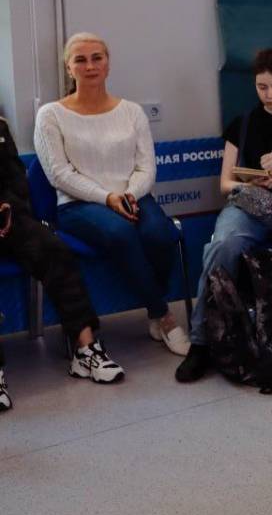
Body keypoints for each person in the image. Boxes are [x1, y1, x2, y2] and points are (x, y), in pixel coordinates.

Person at [175, 48, 272, 383]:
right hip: (249, 205)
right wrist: (250, 184)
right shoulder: (243, 123)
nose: (269, 94)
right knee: (223, 245)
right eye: (262, 87)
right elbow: (225, 184)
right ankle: (201, 342)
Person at [34, 32, 190, 357]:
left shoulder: (132, 111)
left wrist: (128, 195)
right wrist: (107, 198)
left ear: (108, 64)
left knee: (161, 235)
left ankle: (153, 306)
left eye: (97, 58)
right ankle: (164, 316)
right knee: (120, 233)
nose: (90, 66)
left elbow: (146, 167)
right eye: (80, 60)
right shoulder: (50, 114)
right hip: (79, 204)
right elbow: (58, 174)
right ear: (69, 68)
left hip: (133, 196)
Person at [1, 115, 125, 410]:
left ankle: (85, 350)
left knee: (53, 249)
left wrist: (7, 208)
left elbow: (16, 182)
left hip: (8, 217)